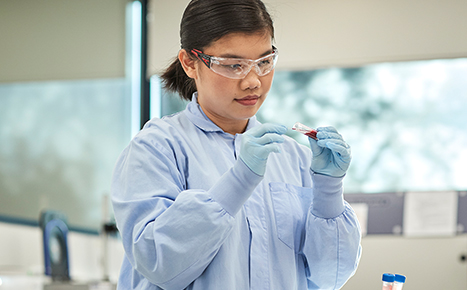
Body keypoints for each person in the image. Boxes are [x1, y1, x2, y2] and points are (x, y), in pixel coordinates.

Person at [111, 0, 362, 289]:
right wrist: (240, 180)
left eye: (264, 62)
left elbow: (328, 277)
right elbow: (159, 264)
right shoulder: (156, 148)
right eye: (233, 65)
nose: (253, 81)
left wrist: (329, 191)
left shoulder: (292, 156)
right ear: (190, 63)